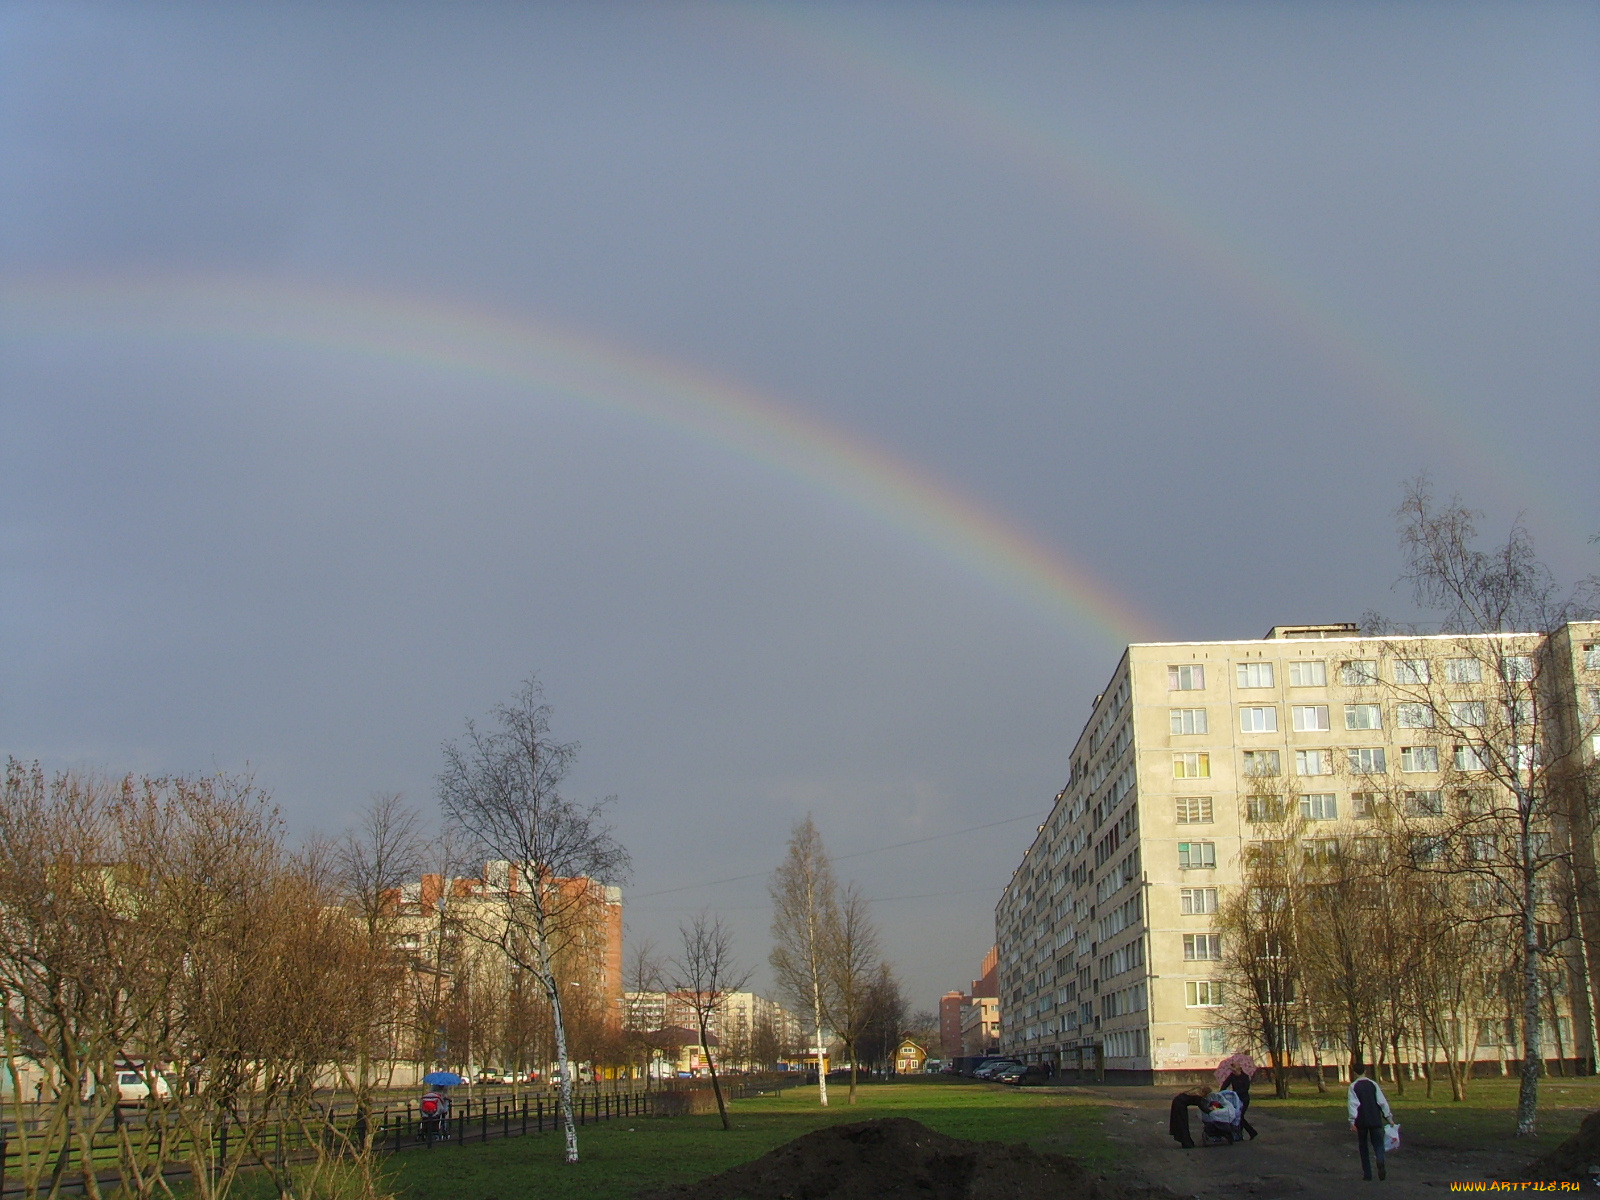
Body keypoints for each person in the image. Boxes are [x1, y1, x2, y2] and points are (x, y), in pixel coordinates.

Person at [1347, 1063, 1394, 1182]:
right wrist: (1389, 1118)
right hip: (1375, 1119)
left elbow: (1353, 1105)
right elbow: (1382, 1102)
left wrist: (1352, 1121)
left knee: (1363, 1147)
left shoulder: (1353, 1086)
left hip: (1361, 1121)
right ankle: (1380, 1159)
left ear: (1354, 1073)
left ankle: (1367, 1174)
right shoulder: (1373, 1084)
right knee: (1378, 1144)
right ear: (1365, 1071)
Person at [1222, 1068, 1259, 1140]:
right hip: (1236, 1099)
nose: (1233, 1072)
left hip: (1244, 1099)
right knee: (1237, 1116)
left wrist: (1236, 1092)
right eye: (1232, 1071)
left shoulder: (1245, 1077)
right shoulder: (1232, 1076)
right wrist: (1222, 1092)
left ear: (1240, 1070)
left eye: (1234, 1071)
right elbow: (1225, 1084)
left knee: (1240, 1116)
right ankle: (1241, 1134)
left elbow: (1246, 1088)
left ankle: (1251, 1132)